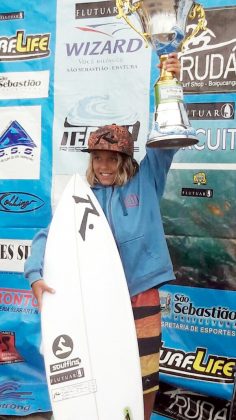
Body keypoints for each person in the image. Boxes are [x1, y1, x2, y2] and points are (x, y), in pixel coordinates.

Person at [24, 53, 180, 420]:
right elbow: (48, 234)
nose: (104, 165)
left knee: (141, 380)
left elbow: (167, 141)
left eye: (111, 158)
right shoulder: (83, 197)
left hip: (140, 291)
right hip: (96, 302)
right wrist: (35, 274)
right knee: (103, 377)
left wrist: (170, 84)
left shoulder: (147, 179)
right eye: (97, 158)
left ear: (125, 159)